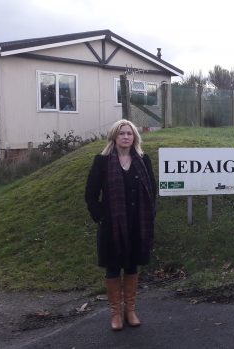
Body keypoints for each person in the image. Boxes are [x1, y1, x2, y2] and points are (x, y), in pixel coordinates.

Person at [85, 119, 156, 331]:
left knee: (132, 266)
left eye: (129, 133)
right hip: (112, 226)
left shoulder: (144, 160)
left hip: (137, 224)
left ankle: (130, 310)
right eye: (122, 133)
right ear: (114, 137)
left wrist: (150, 214)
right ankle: (115, 313)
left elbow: (152, 191)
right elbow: (90, 195)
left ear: (134, 137)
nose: (126, 137)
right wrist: (101, 218)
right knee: (113, 268)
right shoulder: (102, 161)